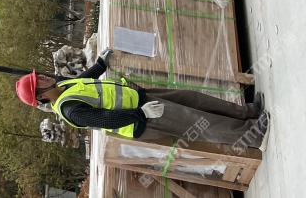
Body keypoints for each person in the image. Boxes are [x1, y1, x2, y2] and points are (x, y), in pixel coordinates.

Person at [15, 50, 269, 149]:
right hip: (142, 118)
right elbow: (106, 119)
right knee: (195, 120)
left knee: (194, 100)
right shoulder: (69, 110)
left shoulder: (63, 86)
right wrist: (142, 113)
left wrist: (101, 63)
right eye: (40, 81)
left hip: (142, 97)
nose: (44, 77)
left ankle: (247, 112)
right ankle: (253, 135)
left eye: (40, 76)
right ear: (41, 95)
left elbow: (86, 79)